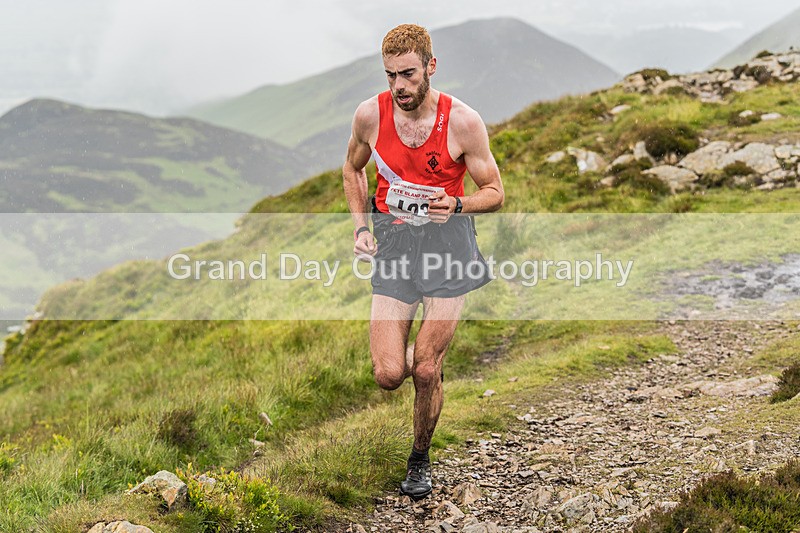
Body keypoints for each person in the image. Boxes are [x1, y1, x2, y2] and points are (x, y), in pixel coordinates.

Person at [342, 23, 504, 501]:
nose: (400, 85)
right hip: (393, 242)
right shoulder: (370, 115)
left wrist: (457, 204)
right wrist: (360, 228)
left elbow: (495, 192)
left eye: (409, 74)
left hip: (448, 243)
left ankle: (419, 458)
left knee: (426, 369)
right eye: (391, 75)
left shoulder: (463, 122)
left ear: (431, 67)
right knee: (390, 374)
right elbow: (352, 168)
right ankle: (426, 362)